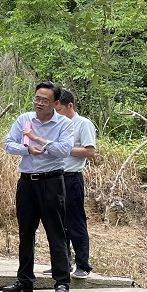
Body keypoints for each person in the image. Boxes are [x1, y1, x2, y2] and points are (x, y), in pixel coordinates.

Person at [2, 81, 75, 292]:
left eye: (45, 100)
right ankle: (25, 280)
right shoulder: (24, 119)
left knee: (55, 232)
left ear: (55, 103)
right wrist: (27, 149)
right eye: (37, 98)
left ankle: (62, 282)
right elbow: (8, 144)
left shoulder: (63, 124)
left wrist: (37, 139)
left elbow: (64, 150)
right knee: (25, 232)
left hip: (51, 182)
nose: (39, 103)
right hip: (27, 182)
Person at [55, 89, 97, 279]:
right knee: (57, 223)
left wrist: (65, 149)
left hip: (72, 178)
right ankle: (62, 264)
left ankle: (83, 265)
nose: (57, 113)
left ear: (70, 106)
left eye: (59, 109)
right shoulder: (57, 124)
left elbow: (90, 152)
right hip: (55, 176)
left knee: (75, 222)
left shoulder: (83, 124)